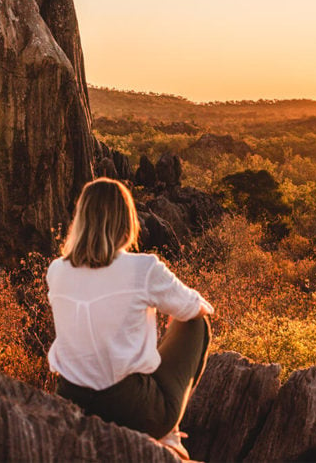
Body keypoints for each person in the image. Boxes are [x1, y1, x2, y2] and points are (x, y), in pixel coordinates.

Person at [47, 177, 212, 460]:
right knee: (196, 323)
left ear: (82, 219)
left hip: (70, 398)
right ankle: (169, 432)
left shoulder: (56, 270)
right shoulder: (142, 268)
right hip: (129, 408)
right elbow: (197, 308)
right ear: (127, 221)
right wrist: (178, 314)